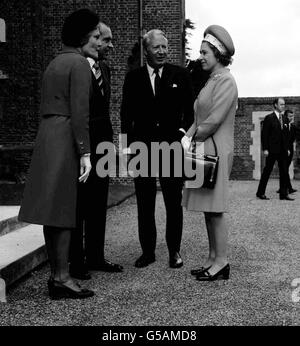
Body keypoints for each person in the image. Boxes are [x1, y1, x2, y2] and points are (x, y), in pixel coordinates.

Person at [18, 8, 100, 299]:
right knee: (64, 210)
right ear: (81, 37)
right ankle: (62, 278)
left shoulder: (54, 63)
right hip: (66, 137)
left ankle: (56, 275)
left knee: (52, 212)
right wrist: (86, 153)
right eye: (93, 35)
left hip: (47, 135)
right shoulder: (79, 64)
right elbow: (80, 113)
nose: (96, 40)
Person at [120, 29, 194, 269]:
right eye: (156, 47)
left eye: (165, 47)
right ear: (146, 50)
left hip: (172, 149)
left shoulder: (180, 75)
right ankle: (147, 252)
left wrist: (184, 133)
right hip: (142, 149)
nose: (162, 51)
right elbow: (125, 116)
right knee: (145, 202)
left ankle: (174, 251)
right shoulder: (133, 78)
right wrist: (125, 150)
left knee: (173, 202)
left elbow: (191, 113)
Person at [181, 25, 238, 281]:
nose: (200, 56)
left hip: (215, 150)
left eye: (205, 52)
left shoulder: (226, 80)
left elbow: (214, 120)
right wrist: (187, 136)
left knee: (216, 209)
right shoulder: (211, 80)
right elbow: (199, 115)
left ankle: (222, 261)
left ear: (218, 53)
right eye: (200, 52)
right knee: (208, 208)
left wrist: (191, 136)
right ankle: (213, 258)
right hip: (204, 149)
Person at [69, 22, 123, 280]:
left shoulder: (105, 69)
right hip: (83, 145)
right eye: (108, 40)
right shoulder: (76, 67)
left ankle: (96, 257)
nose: (111, 45)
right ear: (95, 39)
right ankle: (76, 262)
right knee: (79, 203)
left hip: (104, 144)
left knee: (99, 201)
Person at [256, 98, 293, 200]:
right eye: (281, 104)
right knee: (267, 171)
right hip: (272, 150)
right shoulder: (269, 118)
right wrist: (265, 149)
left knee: (284, 172)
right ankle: (260, 193)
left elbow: (286, 136)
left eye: (284, 104)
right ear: (275, 105)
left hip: (282, 151)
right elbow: (265, 135)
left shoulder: (285, 119)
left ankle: (283, 194)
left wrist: (287, 149)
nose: (283, 106)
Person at [281, 110, 298, 194]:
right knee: (284, 169)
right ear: (285, 117)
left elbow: (294, 138)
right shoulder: (282, 126)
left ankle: (284, 188)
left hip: (290, 151)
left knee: (285, 169)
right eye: (290, 116)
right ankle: (288, 188)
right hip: (283, 150)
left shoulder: (293, 127)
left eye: (292, 116)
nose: (292, 118)